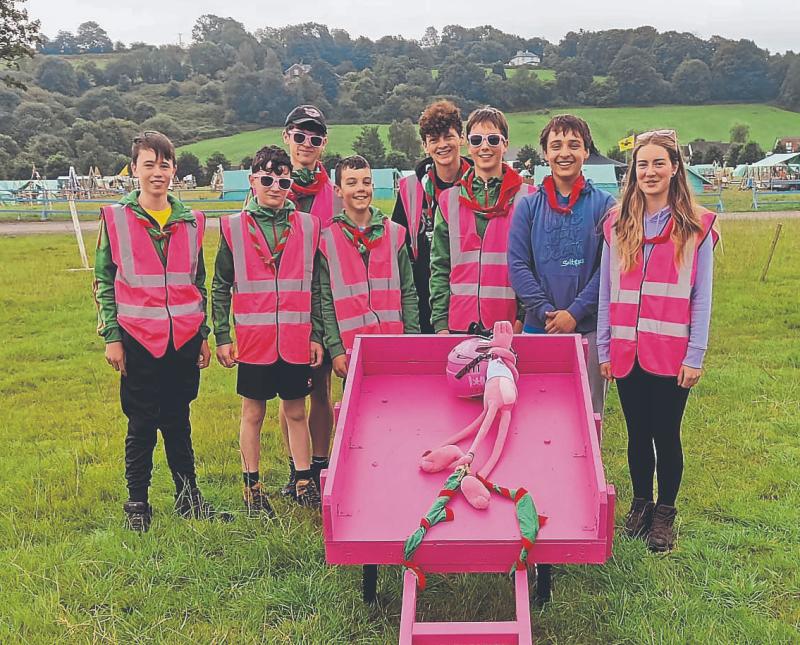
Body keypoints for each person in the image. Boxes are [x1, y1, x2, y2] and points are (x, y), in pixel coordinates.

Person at [94, 130, 230, 532]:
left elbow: (197, 281)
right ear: (134, 168)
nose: (157, 172)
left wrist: (202, 332)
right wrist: (112, 337)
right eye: (148, 164)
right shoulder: (116, 218)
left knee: (178, 421)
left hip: (183, 340)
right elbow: (104, 280)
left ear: (174, 169)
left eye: (164, 164)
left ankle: (189, 499)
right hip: (137, 338)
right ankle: (137, 503)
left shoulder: (192, 221)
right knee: (140, 423)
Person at [597, 129, 718, 552]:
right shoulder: (616, 224)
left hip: (670, 354)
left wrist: (695, 354)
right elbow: (605, 291)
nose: (649, 172)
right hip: (627, 353)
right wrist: (604, 348)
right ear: (633, 170)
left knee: (666, 435)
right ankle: (640, 504)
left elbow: (702, 296)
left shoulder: (697, 227)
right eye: (642, 164)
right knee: (635, 434)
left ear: (675, 168)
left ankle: (665, 512)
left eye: (658, 163)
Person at [212, 145, 324, 510]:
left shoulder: (308, 226)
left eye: (283, 179)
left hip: (294, 340)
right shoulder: (233, 227)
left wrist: (316, 334)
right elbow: (220, 285)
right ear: (252, 181)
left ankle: (305, 482)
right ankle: (252, 488)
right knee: (253, 413)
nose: (275, 186)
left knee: (296, 412)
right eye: (267, 179)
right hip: (254, 341)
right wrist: (223, 336)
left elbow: (317, 287)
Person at [508, 114, 615, 415]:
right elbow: (517, 266)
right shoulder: (527, 206)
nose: (564, 152)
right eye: (556, 145)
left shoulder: (606, 206)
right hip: (539, 327)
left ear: (586, 151)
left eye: (573, 144)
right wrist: (546, 313)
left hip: (590, 331)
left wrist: (575, 313)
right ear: (545, 153)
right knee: (536, 411)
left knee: (589, 411)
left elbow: (607, 269)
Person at [429, 106, 535, 335]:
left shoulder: (528, 198)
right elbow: (440, 266)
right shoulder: (449, 200)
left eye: (493, 139)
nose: (485, 147)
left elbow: (534, 266)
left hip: (509, 327)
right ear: (467, 144)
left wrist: (522, 317)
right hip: (458, 326)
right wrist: (440, 324)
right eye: (477, 140)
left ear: (505, 144)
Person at [280, 105, 339, 496]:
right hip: (279, 312)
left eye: (314, 138)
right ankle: (295, 469)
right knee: (288, 396)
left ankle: (320, 468)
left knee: (319, 391)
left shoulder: (332, 197)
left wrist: (322, 326)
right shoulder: (270, 188)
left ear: (323, 144)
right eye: (299, 136)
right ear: (287, 138)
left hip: (318, 305)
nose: (306, 144)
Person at [319, 155, 420, 379]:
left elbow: (408, 292)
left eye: (366, 182)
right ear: (338, 190)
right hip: (352, 349)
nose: (360, 189)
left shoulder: (395, 234)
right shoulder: (327, 240)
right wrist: (335, 349)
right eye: (352, 182)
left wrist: (412, 338)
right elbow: (326, 301)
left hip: (395, 345)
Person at [392, 100, 471, 333]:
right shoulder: (409, 189)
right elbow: (399, 253)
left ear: (462, 139)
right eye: (434, 140)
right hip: (424, 302)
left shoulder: (479, 185)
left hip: (470, 300)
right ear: (425, 146)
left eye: (448, 137)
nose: (442, 145)